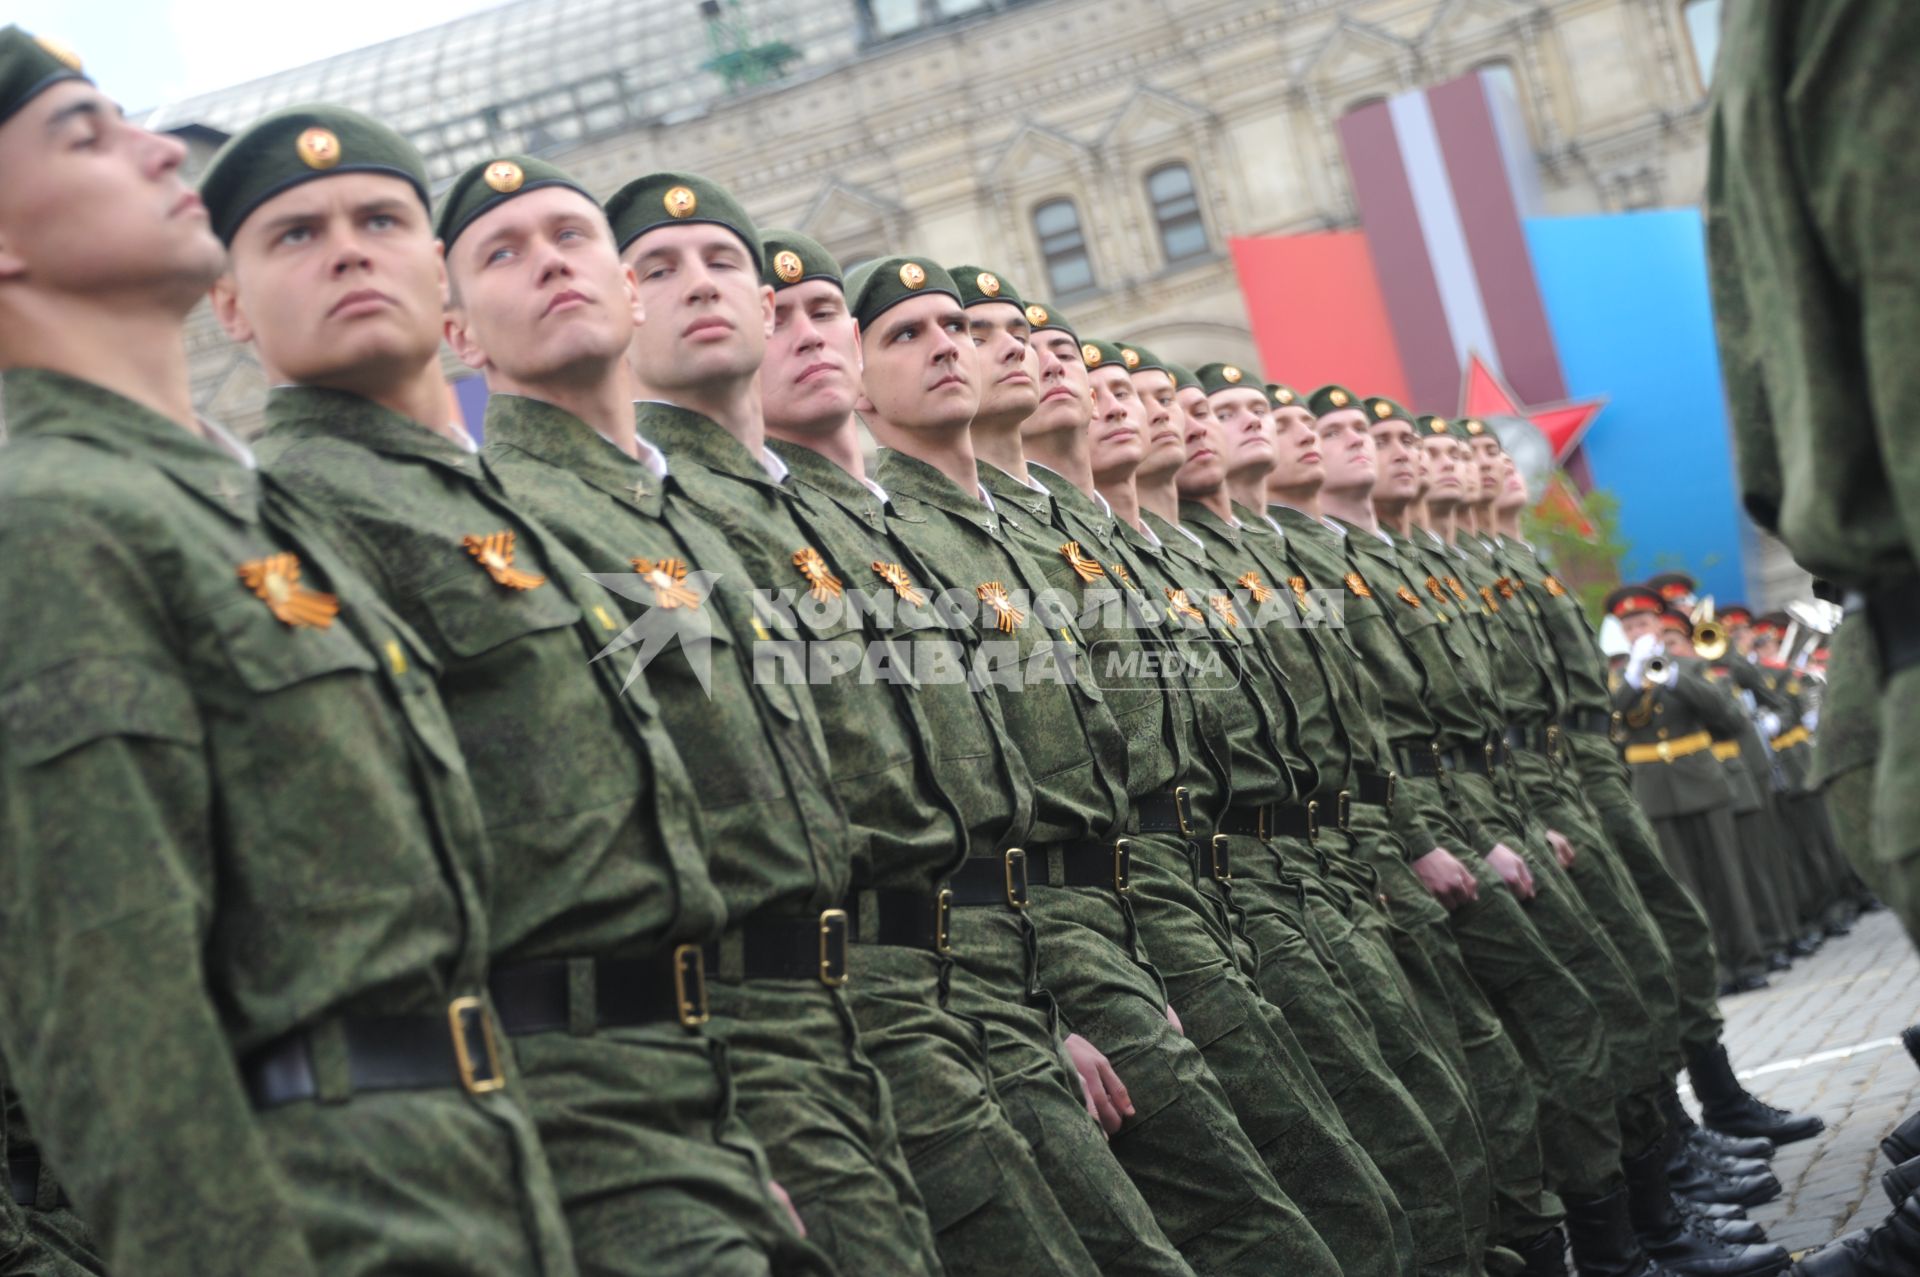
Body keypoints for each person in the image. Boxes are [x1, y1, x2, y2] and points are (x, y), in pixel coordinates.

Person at [201, 129, 828, 1277]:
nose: (349, 255)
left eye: (381, 223)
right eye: (299, 233)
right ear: (230, 306)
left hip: (702, 1070)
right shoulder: (294, 519)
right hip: (555, 1091)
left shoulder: (487, 502)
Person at [0, 39, 577, 1276]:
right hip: (329, 1219)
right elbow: (113, 1015)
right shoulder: (48, 521)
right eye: (86, 136)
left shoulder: (227, 503)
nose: (164, 150)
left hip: (477, 1182)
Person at [855, 255, 1341, 1276]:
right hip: (1025, 938)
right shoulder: (890, 537)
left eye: (989, 332)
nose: (979, 350)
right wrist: (1065, 993)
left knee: (1340, 1167)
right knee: (1280, 1211)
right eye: (918, 331)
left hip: (1162, 896)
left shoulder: (1047, 530)